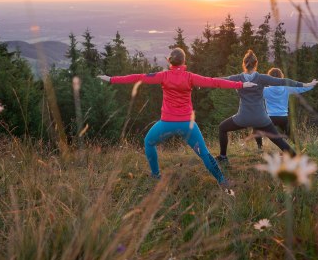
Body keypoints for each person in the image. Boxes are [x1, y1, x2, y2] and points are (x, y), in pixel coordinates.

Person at [98, 48, 257, 185]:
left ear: (170, 62)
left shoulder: (164, 75)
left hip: (166, 123)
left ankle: (156, 175)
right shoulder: (189, 77)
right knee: (205, 154)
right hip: (187, 125)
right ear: (183, 62)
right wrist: (241, 85)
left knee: (149, 142)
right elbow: (214, 82)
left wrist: (111, 79)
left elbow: (138, 77)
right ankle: (223, 182)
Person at [216, 50, 318, 163]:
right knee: (278, 140)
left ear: (244, 64)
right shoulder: (262, 78)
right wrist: (306, 84)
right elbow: (284, 81)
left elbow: (217, 81)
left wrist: (199, 83)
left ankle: (223, 157)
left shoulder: (236, 78)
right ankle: (294, 157)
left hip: (243, 118)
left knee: (222, 128)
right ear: (256, 64)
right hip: (261, 118)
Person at [263, 67, 317, 141]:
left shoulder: (265, 90)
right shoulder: (286, 88)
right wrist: (312, 85)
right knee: (291, 136)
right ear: (281, 77)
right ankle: (298, 149)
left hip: (270, 118)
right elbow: (301, 88)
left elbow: (253, 92)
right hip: (283, 118)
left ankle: (260, 147)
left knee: (259, 130)